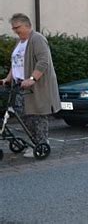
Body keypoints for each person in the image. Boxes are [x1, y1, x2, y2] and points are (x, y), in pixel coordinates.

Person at [0, 13, 61, 158]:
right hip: (20, 86)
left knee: (37, 115)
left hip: (36, 87)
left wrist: (33, 78)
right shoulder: (19, 42)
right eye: (13, 28)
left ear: (27, 25)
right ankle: (34, 142)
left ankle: (41, 143)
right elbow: (15, 64)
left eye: (17, 27)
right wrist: (7, 79)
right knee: (24, 115)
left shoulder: (37, 39)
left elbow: (43, 61)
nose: (15, 30)